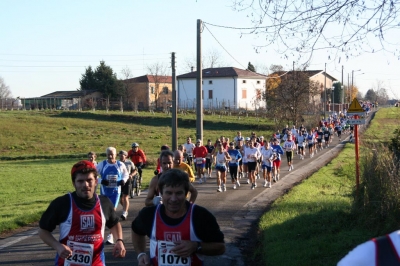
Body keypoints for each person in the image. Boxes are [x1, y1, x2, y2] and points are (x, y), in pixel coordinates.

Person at [38, 160, 126, 266]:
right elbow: (43, 230)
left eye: (89, 180)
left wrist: (119, 241)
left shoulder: (104, 202)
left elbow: (114, 223)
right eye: (80, 181)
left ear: (96, 181)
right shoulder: (62, 203)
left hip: (97, 263)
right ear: (73, 183)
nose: (85, 185)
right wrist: (58, 246)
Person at [131, 169, 225, 266]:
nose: (173, 199)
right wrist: (141, 254)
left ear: (186, 193)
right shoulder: (149, 215)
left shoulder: (201, 216)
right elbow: (136, 231)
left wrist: (196, 246)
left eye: (179, 193)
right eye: (169, 193)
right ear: (161, 193)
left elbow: (221, 247)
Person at [96, 147, 129, 244]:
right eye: (108, 154)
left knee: (111, 213)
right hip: (105, 192)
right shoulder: (102, 164)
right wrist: (101, 181)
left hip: (115, 192)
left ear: (116, 155)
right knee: (103, 214)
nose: (110, 156)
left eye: (112, 154)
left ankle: (110, 236)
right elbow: (93, 175)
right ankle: (100, 233)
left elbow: (125, 174)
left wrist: (123, 180)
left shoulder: (120, 164)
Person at [118, 150, 137, 220]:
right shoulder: (117, 163)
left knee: (125, 196)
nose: (121, 156)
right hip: (119, 181)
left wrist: (131, 175)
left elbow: (135, 170)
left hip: (127, 180)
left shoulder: (129, 162)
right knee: (120, 199)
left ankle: (124, 212)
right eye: (120, 155)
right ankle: (125, 208)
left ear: (126, 156)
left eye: (123, 155)